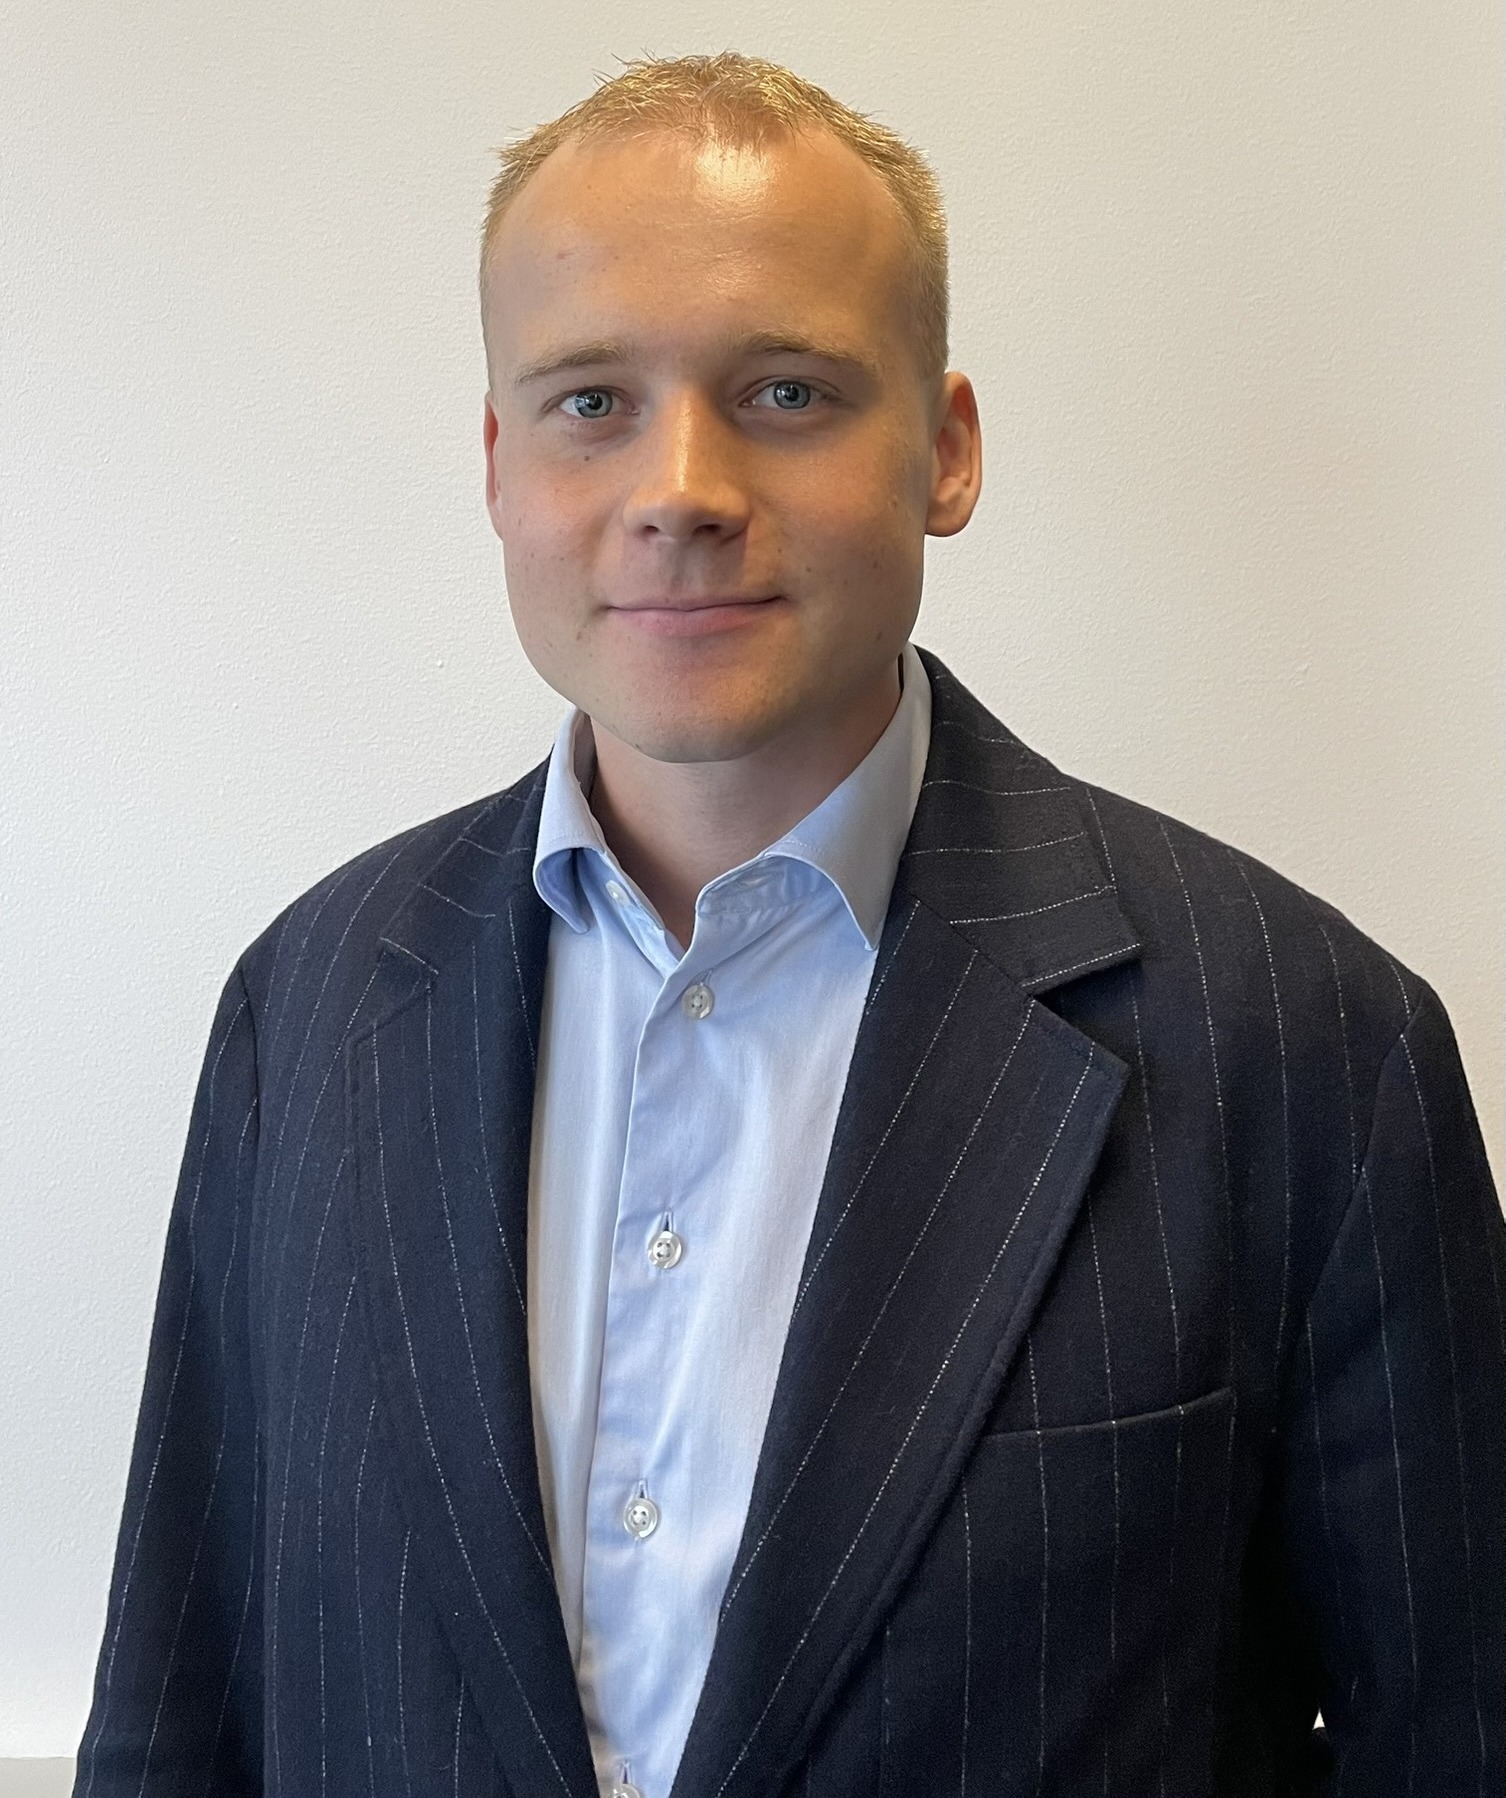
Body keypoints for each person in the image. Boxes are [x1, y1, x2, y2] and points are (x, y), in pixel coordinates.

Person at [74, 50, 1503, 1798]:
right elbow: (178, 1702)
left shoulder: (1309, 1047)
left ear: (947, 449)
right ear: (499, 464)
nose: (680, 484)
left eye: (784, 392)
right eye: (590, 400)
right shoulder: (303, 1011)